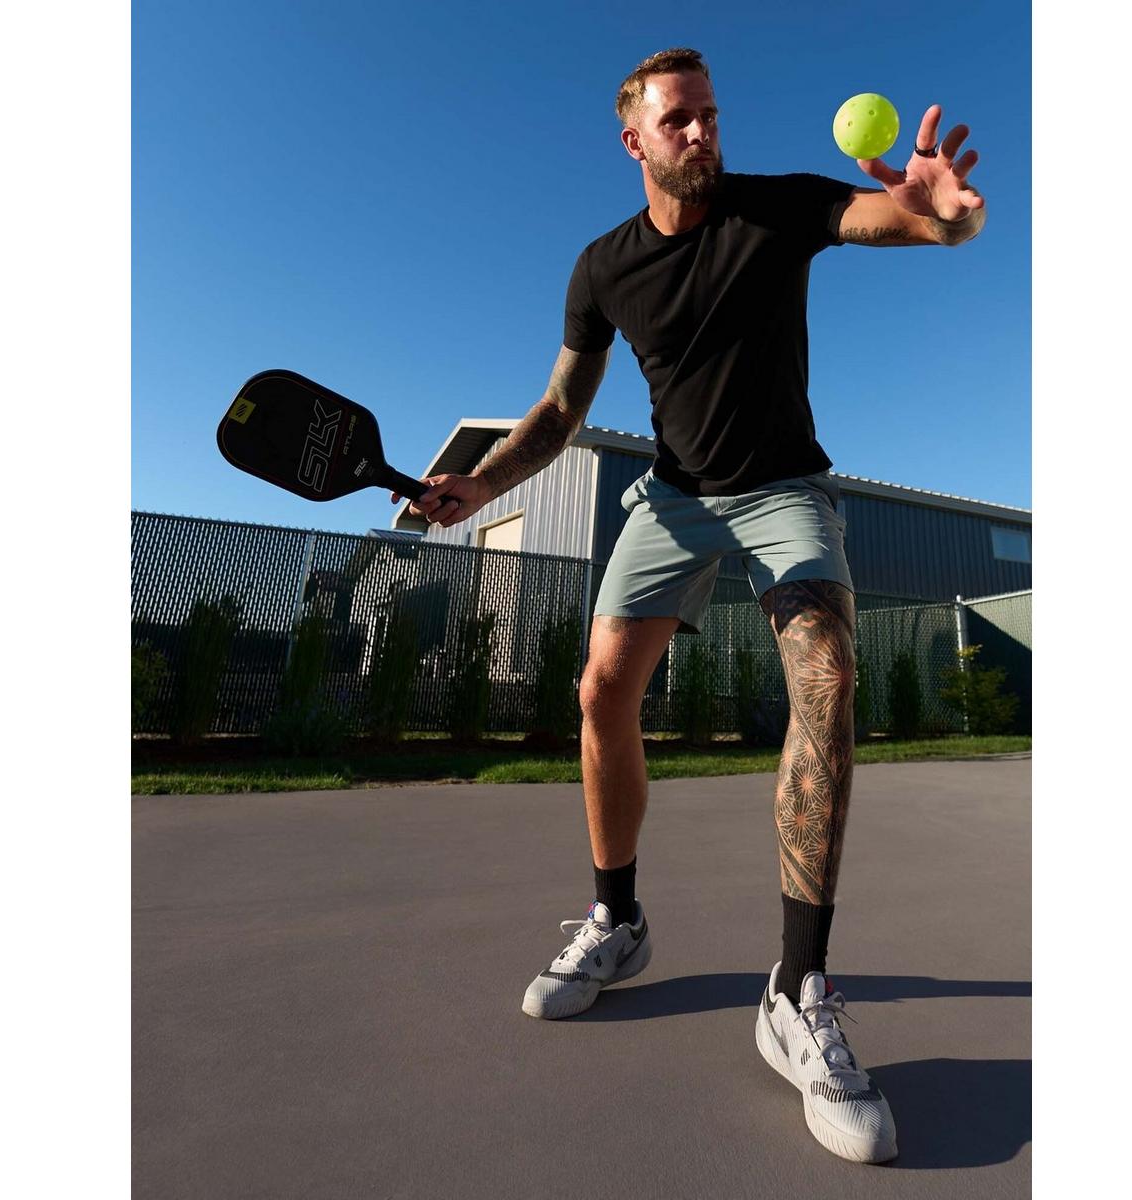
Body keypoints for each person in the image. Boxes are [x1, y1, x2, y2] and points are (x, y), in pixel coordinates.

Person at [401, 48, 985, 1164]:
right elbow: (559, 412)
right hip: (672, 500)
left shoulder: (777, 208)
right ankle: (617, 921)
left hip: (783, 490)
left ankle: (798, 988)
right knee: (600, 692)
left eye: (711, 114)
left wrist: (949, 218)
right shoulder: (603, 266)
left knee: (827, 675)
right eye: (680, 119)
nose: (704, 132)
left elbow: (911, 222)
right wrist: (480, 483)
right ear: (635, 140)